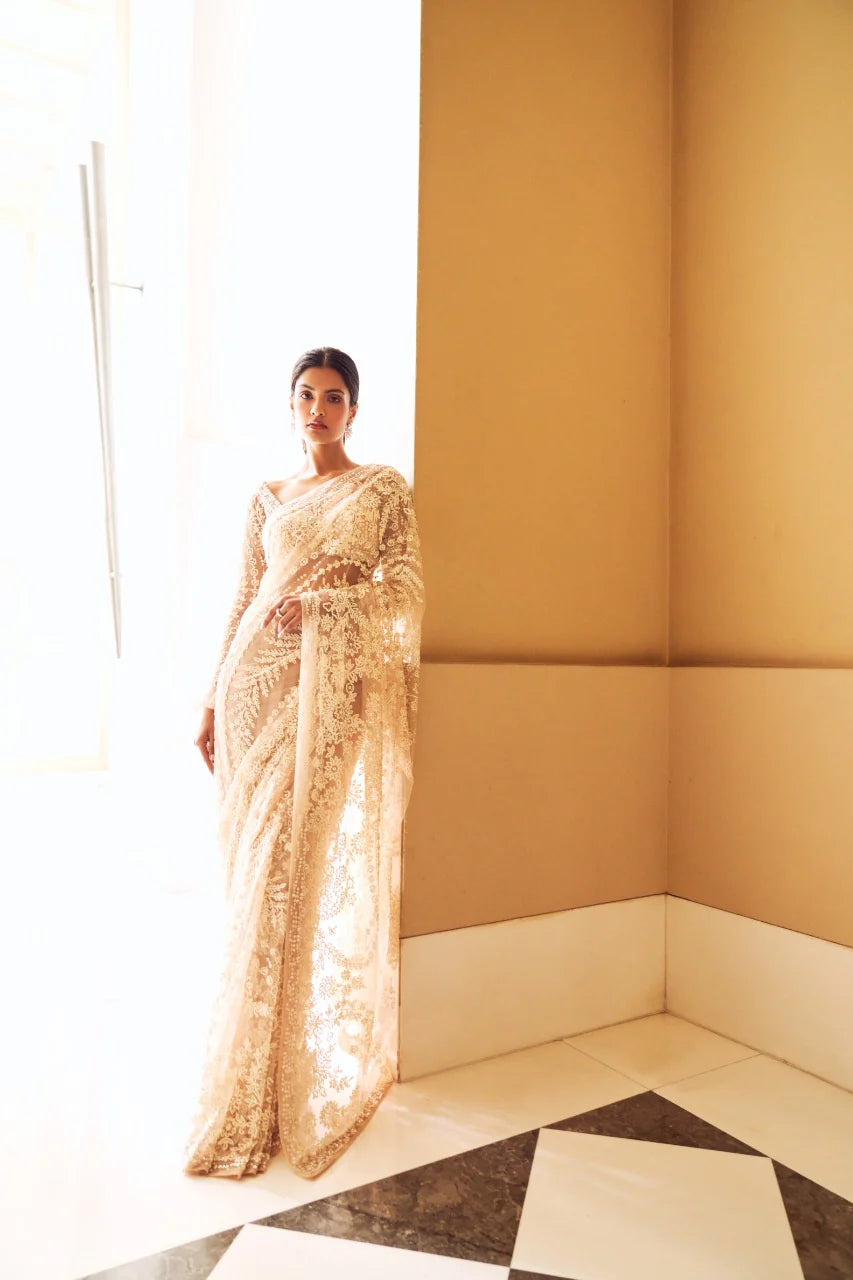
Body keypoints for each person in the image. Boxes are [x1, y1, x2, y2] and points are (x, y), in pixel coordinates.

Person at [183, 347, 425, 1180]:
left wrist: (323, 606)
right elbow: (243, 597)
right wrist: (210, 700)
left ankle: (281, 1083)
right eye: (305, 396)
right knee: (255, 874)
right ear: (290, 406)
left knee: (291, 871)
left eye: (333, 397)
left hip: (326, 697)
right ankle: (246, 1080)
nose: (318, 409)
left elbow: (406, 590)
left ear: (354, 410)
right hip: (251, 690)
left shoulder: (381, 489)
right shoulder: (267, 497)